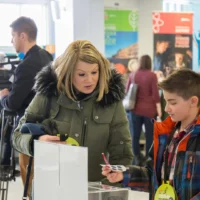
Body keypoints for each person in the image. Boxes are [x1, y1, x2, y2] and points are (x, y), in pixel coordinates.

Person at [12, 40, 133, 182]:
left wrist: (117, 177)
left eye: (94, 72)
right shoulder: (48, 95)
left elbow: (122, 150)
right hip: (53, 188)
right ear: (68, 73)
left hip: (96, 189)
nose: (90, 80)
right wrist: (37, 141)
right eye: (81, 74)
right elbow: (17, 137)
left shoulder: (111, 99)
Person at [102, 69, 200, 200]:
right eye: (166, 102)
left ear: (193, 101)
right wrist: (123, 174)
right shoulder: (165, 134)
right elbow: (150, 175)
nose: (166, 109)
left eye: (173, 102)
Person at [0, 16, 53, 194]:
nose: (11, 40)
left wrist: (3, 97)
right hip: (49, 128)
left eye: (13, 35)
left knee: (30, 183)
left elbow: (13, 104)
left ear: (22, 36)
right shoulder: (46, 56)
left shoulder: (27, 65)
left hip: (30, 131)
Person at [126, 55, 161, 166]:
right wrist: (159, 110)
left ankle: (136, 158)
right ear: (150, 63)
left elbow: (127, 90)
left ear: (140, 63)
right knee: (150, 135)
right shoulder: (152, 76)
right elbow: (155, 94)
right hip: (150, 111)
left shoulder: (133, 74)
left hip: (135, 110)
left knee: (134, 135)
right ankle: (149, 159)